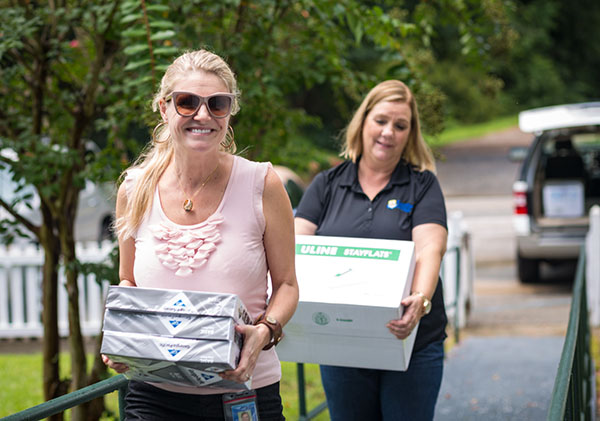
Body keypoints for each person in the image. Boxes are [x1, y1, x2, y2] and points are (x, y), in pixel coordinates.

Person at [102, 49, 299, 421]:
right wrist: (121, 330)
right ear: (164, 108)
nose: (203, 115)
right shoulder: (134, 188)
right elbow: (127, 279)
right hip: (153, 395)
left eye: (217, 104)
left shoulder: (262, 183)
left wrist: (266, 331)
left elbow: (287, 284)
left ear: (230, 111)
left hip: (243, 393)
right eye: (187, 102)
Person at [294, 80, 448, 421]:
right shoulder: (327, 185)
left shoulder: (422, 186)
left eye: (400, 125)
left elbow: (429, 249)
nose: (388, 132)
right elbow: (293, 248)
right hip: (341, 341)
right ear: (363, 122)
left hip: (410, 341)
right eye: (381, 120)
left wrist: (420, 301)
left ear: (410, 134)